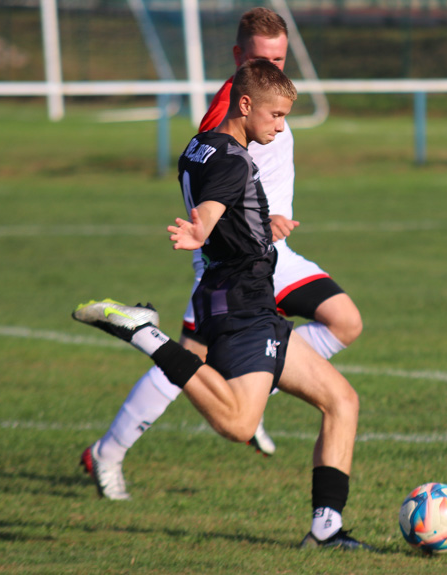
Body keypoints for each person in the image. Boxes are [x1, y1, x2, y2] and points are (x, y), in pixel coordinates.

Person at [73, 59, 372, 551]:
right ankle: (145, 333)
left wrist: (241, 226)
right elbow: (214, 206)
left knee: (341, 401)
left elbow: (219, 198)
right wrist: (202, 228)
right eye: (276, 115)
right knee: (238, 424)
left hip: (242, 297)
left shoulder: (200, 146)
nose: (281, 126)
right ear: (247, 104)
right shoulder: (234, 160)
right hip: (242, 306)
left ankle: (325, 530)